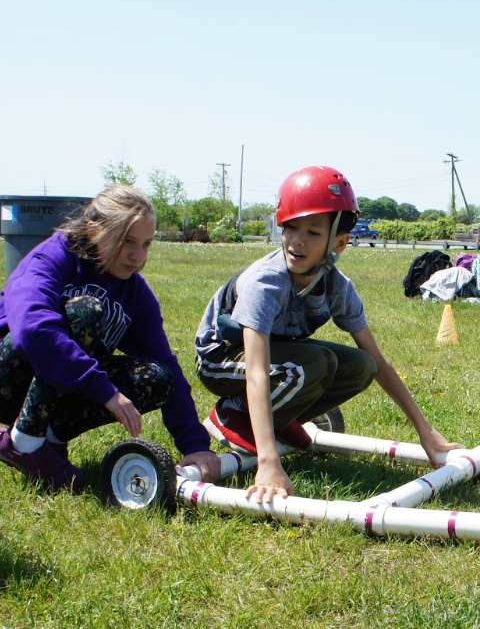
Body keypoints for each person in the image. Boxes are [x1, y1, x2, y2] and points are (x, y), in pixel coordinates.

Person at [195, 165, 461, 503]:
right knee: (315, 363)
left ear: (339, 242)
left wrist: (426, 432)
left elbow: (378, 362)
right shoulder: (266, 282)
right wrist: (268, 461)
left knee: (359, 365)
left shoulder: (336, 286)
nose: (297, 240)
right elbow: (258, 372)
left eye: (312, 231)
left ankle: (275, 420)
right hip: (221, 358)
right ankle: (232, 414)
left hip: (273, 357)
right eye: (290, 227)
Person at [0, 185, 220, 490]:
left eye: (146, 244)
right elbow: (33, 328)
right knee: (84, 311)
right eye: (126, 242)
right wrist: (102, 389)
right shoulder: (52, 257)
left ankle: (49, 440)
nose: (137, 256)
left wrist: (195, 444)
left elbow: (165, 364)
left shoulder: (135, 293)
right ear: (94, 230)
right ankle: (24, 442)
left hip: (62, 388)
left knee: (156, 377)